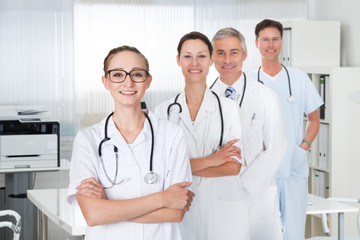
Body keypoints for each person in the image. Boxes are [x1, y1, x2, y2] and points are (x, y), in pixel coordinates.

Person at [67, 45, 194, 240]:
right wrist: (162, 198)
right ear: (106, 82)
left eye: (137, 74)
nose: (128, 82)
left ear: (148, 81)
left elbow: (175, 212)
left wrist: (108, 206)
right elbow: (93, 215)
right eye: (118, 75)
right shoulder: (88, 140)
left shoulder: (172, 135)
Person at [155, 31, 250, 240]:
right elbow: (161, 170)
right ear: (178, 60)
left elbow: (233, 167)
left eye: (201, 56)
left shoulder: (228, 109)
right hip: (181, 210)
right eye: (187, 56)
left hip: (222, 212)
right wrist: (213, 160)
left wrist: (182, 168)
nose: (194, 63)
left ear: (211, 59)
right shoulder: (162, 112)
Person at [210, 27, 286, 240]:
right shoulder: (204, 100)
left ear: (244, 55)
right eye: (220, 53)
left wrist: (242, 190)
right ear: (212, 57)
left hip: (256, 199)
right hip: (215, 201)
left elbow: (276, 148)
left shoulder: (266, 97)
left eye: (234, 52)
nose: (227, 60)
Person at [251, 19, 323, 240]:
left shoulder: (298, 78)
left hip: (293, 166)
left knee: (293, 232)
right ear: (257, 43)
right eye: (265, 39)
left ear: (282, 42)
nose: (270, 45)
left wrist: (303, 148)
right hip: (260, 169)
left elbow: (314, 119)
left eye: (275, 39)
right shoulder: (249, 81)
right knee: (261, 232)